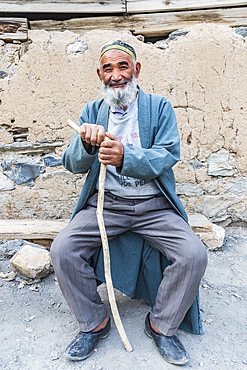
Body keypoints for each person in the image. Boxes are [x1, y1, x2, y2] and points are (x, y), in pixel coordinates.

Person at [50, 39, 208, 366]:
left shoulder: (159, 106)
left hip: (154, 206)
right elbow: (72, 163)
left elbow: (167, 154)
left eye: (123, 66)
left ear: (136, 70)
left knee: (193, 255)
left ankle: (161, 326)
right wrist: (86, 145)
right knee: (62, 249)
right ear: (100, 75)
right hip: (107, 205)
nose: (116, 75)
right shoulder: (93, 112)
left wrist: (125, 157)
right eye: (108, 68)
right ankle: (94, 322)